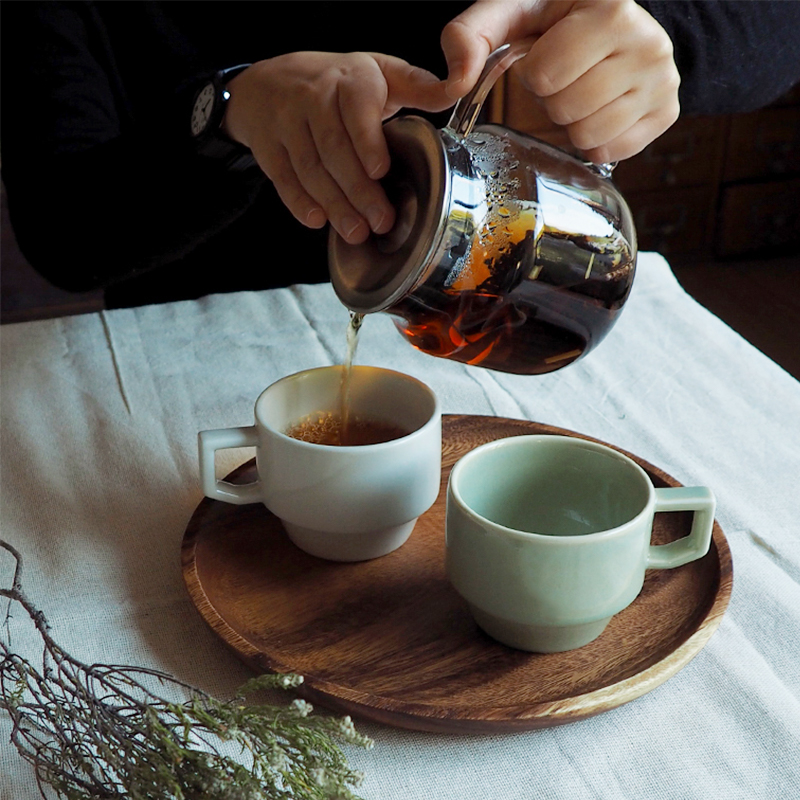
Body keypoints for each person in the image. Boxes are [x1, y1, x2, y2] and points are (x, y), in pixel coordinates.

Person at [2, 1, 799, 310]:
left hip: (492, 290)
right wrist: (227, 114)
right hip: (197, 333)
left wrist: (662, 34)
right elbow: (65, 230)